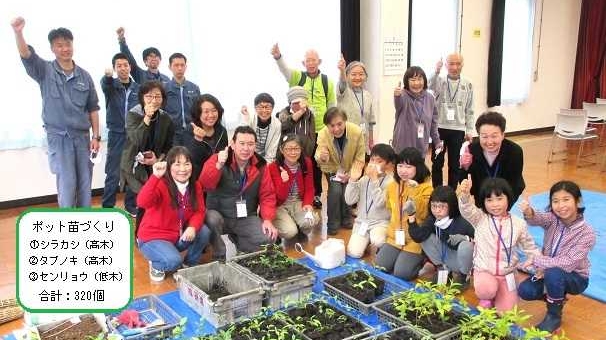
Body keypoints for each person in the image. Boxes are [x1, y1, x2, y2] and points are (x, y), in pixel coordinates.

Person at [12, 17, 100, 207]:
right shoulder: (44, 70)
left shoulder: (84, 76)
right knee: (67, 185)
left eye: (67, 44)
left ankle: (84, 224)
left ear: (73, 46)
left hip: (82, 138)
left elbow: (93, 108)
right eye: (59, 45)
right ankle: (68, 226)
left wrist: (96, 137)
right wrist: (18, 32)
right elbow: (26, 55)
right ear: (52, 48)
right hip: (59, 138)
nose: (65, 48)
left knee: (85, 185)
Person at [518, 181, 596, 333]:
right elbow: (538, 218)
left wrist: (537, 260)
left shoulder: (587, 233)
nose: (561, 206)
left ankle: (554, 316)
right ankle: (557, 297)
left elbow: (567, 263)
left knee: (554, 272)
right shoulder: (553, 219)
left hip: (576, 278)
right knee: (525, 290)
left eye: (566, 199)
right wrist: (528, 211)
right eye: (555, 201)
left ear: (577, 201)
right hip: (550, 271)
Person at [458, 176, 540, 312]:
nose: (495, 204)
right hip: (485, 271)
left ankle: (499, 297)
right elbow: (466, 209)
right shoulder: (480, 218)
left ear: (508, 198)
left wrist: (538, 263)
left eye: (500, 198)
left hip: (507, 275)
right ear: (483, 202)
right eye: (489, 200)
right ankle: (487, 299)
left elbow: (530, 247)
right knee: (487, 289)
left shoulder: (518, 224)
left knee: (507, 313)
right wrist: (465, 195)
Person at [199, 126, 278, 259]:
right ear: (233, 144)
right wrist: (218, 165)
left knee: (268, 237)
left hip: (245, 215)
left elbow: (267, 195)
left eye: (250, 144)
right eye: (241, 143)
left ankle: (241, 243)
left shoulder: (261, 165)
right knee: (211, 219)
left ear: (255, 146)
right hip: (220, 216)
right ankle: (219, 253)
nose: (246, 148)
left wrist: (268, 219)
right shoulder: (218, 158)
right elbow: (204, 185)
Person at [136, 146, 211, 282]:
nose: (183, 169)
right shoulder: (160, 183)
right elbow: (142, 202)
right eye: (177, 164)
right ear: (169, 166)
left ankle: (188, 264)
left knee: (203, 231)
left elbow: (199, 211)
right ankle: (157, 264)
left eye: (187, 164)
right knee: (173, 261)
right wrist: (155, 177)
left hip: (178, 236)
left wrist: (192, 227)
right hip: (153, 238)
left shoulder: (195, 185)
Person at [376, 147, 433, 280]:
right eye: (400, 166)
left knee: (401, 274)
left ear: (417, 168)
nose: (403, 170)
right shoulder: (392, 186)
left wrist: (414, 191)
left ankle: (424, 261)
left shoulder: (426, 188)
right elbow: (391, 209)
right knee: (380, 267)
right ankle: (397, 256)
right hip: (395, 237)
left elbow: (423, 213)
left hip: (414, 241)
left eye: (408, 166)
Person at [120, 81, 174, 216]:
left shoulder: (166, 118)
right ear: (142, 98)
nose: (153, 100)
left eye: (157, 96)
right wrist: (147, 117)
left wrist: (158, 159)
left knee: (155, 202)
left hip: (154, 163)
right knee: (142, 203)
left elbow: (169, 146)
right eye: (149, 96)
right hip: (134, 164)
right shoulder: (133, 114)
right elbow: (137, 140)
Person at [408, 185, 474, 289]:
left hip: (461, 261)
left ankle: (463, 277)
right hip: (445, 257)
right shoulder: (433, 219)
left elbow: (477, 242)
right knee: (425, 237)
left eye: (442, 206)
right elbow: (418, 236)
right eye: (434, 206)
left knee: (466, 246)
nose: (437, 210)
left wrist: (465, 238)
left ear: (451, 206)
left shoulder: (462, 222)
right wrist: (411, 216)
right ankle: (443, 271)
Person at [315, 107, 366, 235]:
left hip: (350, 169)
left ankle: (346, 219)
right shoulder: (322, 134)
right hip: (332, 169)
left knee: (347, 190)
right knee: (336, 191)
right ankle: (332, 224)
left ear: (345, 121)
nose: (336, 129)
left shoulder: (357, 132)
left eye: (339, 124)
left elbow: (360, 158)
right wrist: (322, 157)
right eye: (332, 126)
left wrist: (351, 175)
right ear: (327, 126)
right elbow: (318, 155)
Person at [101, 53, 140, 215]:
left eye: (126, 65)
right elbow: (105, 84)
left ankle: (131, 205)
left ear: (130, 67)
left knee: (132, 171)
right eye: (119, 65)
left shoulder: (138, 88)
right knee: (113, 173)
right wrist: (108, 76)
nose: (123, 68)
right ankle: (108, 207)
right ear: (115, 68)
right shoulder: (111, 86)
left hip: (133, 135)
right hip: (116, 135)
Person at [459, 111, 525, 207]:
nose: (489, 142)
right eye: (484, 136)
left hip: (507, 198)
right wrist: (464, 167)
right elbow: (465, 182)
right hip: (481, 198)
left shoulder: (514, 151)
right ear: (479, 135)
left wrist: (502, 206)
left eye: (494, 136)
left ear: (503, 135)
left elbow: (514, 183)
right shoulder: (471, 150)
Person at [429, 53, 474, 189]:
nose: (454, 67)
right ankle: (437, 190)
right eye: (451, 64)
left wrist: (470, 129)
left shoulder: (468, 84)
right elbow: (429, 85)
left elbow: (470, 108)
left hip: (458, 130)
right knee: (437, 162)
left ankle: (451, 192)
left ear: (462, 65)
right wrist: (436, 71)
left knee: (455, 164)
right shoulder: (440, 80)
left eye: (458, 64)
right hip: (439, 129)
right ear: (446, 65)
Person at [271, 43, 336, 132]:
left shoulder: (327, 81)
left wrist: (331, 128)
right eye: (308, 61)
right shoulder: (298, 76)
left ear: (319, 62)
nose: (311, 63)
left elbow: (331, 107)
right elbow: (285, 70)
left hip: (322, 130)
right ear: (303, 63)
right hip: (301, 129)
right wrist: (278, 57)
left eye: (314, 60)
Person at [345, 144, 395, 258]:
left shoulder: (391, 182)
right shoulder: (364, 179)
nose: (374, 164)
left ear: (388, 164)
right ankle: (365, 240)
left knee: (378, 240)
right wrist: (353, 180)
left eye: (379, 161)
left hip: (380, 222)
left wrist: (374, 180)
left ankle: (381, 245)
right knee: (354, 253)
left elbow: (379, 203)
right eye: (372, 160)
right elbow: (349, 200)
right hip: (362, 223)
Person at [268, 134, 319, 241]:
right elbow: (278, 197)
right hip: (280, 205)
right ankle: (279, 228)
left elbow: (310, 188)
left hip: (298, 202)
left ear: (301, 149)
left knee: (311, 220)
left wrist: (308, 204)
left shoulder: (306, 163)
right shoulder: (273, 167)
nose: (293, 152)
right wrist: (284, 181)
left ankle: (298, 225)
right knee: (290, 231)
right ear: (282, 150)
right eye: (288, 149)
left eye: (296, 148)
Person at [277, 86, 321, 208]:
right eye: (295, 102)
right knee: (289, 181)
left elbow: (311, 134)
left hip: (304, 155)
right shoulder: (283, 114)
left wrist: (308, 151)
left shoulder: (310, 115)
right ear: (290, 102)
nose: (299, 105)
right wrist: (300, 112)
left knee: (305, 181)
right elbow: (284, 126)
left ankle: (307, 201)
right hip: (287, 156)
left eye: (302, 101)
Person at [392, 66, 442, 156]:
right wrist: (397, 96)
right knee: (402, 169)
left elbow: (433, 123)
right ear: (407, 81)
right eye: (413, 80)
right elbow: (398, 105)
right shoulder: (403, 95)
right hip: (402, 146)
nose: (416, 83)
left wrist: (437, 141)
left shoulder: (430, 98)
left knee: (419, 169)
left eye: (419, 79)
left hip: (421, 145)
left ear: (424, 80)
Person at [337, 56, 375, 155]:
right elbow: (342, 83)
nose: (357, 77)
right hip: (346, 141)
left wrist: (371, 141)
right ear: (347, 75)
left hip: (363, 141)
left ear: (366, 77)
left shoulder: (368, 95)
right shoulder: (344, 92)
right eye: (353, 74)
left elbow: (371, 122)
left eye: (361, 74)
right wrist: (342, 71)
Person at [188, 94, 228, 181]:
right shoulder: (189, 131)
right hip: (197, 180)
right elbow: (191, 160)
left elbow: (224, 157)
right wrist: (197, 139)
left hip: (218, 178)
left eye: (214, 110)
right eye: (206, 112)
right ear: (198, 113)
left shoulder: (222, 131)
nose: (211, 115)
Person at [164, 53, 201, 147]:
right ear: (170, 67)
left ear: (186, 66)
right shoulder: (164, 88)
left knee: (192, 158)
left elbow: (199, 110)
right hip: (172, 133)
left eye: (182, 65)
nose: (179, 68)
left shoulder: (194, 87)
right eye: (176, 65)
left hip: (191, 132)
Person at [241, 93, 282, 163]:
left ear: (272, 108)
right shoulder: (250, 119)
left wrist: (264, 166)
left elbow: (272, 150)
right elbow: (242, 137)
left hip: (267, 160)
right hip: (248, 158)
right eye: (260, 107)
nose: (264, 110)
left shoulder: (277, 124)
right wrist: (245, 119)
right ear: (255, 108)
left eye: (267, 107)